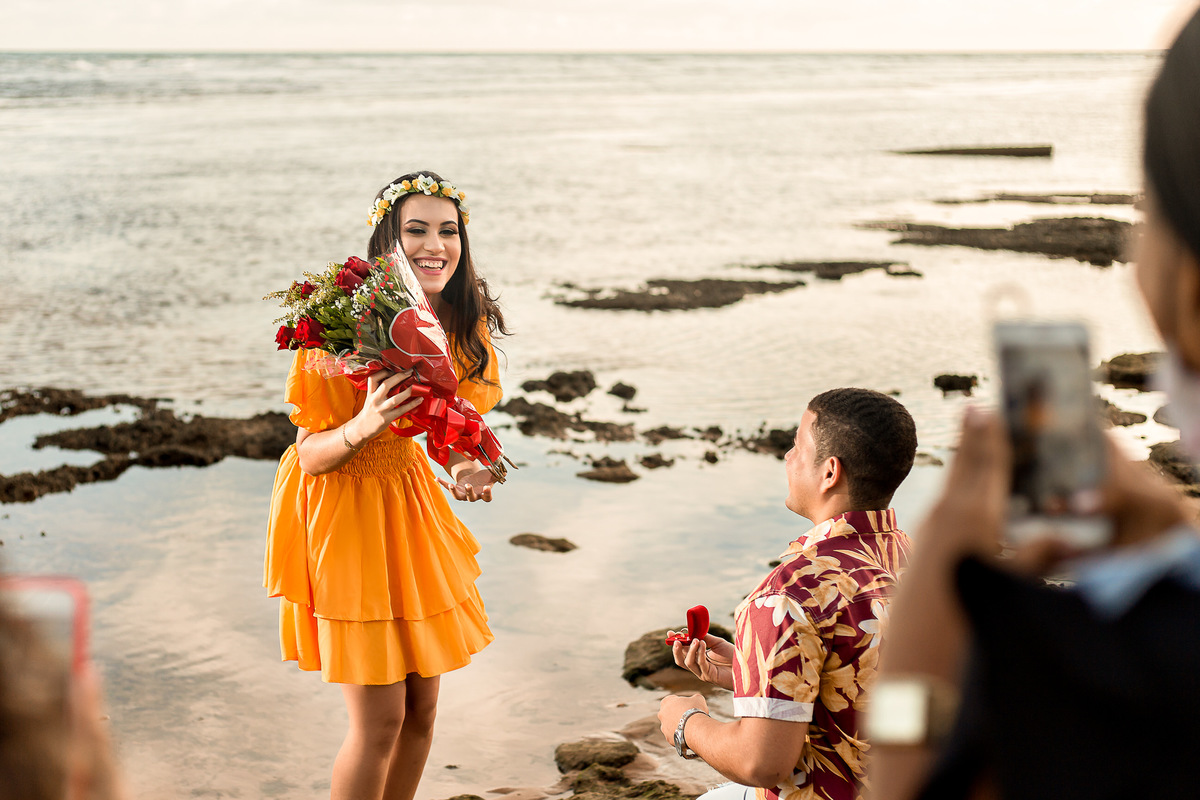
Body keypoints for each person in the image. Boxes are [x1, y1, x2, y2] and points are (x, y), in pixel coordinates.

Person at [869, 11, 1200, 799]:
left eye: (1147, 212)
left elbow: (912, 774)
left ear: (1186, 288)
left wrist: (927, 611)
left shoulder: (1118, 675)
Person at [264, 170, 509, 800]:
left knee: (422, 711)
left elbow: (443, 428)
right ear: (388, 241)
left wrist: (466, 469)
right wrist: (366, 423)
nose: (436, 245)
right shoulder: (339, 320)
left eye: (449, 231)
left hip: (405, 499)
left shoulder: (459, 319)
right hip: (340, 508)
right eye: (416, 230)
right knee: (379, 722)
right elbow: (309, 454)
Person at [657, 388, 918, 800]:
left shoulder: (787, 596)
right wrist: (749, 672)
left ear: (829, 472)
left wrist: (686, 723)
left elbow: (762, 764)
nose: (787, 456)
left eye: (797, 446)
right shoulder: (917, 561)